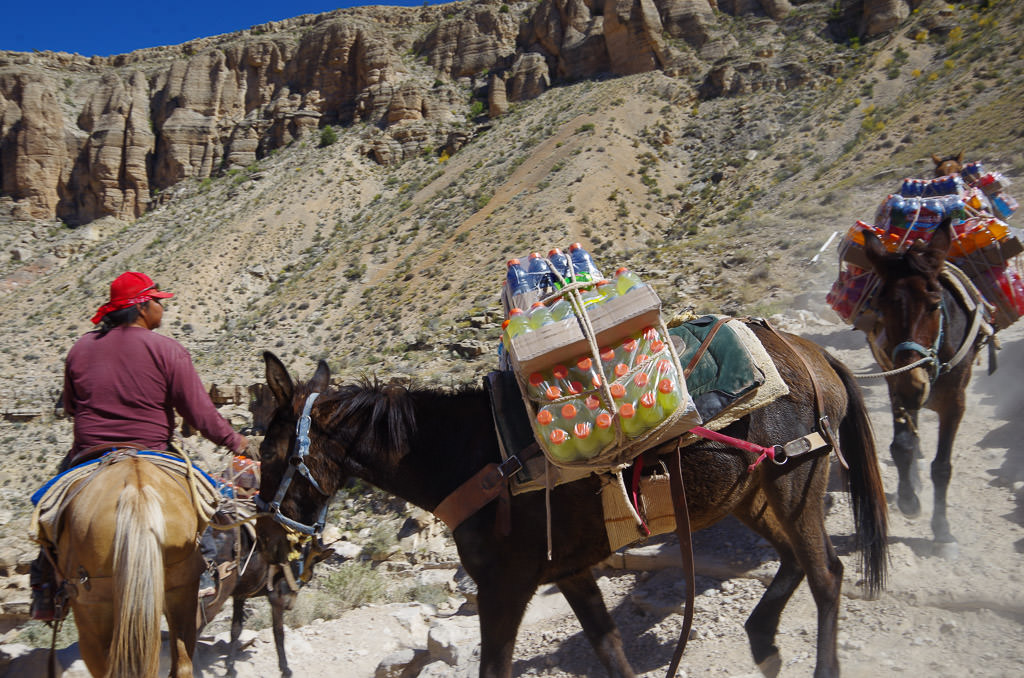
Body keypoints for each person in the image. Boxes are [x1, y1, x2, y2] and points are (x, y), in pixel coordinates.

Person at [30, 271, 249, 621]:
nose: (162, 307)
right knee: (206, 497)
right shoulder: (167, 350)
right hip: (154, 452)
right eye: (158, 301)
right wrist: (238, 442)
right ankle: (205, 565)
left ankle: (43, 585)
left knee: (48, 511)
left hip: (90, 454)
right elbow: (199, 412)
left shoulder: (80, 349)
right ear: (142, 307)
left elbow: (71, 406)